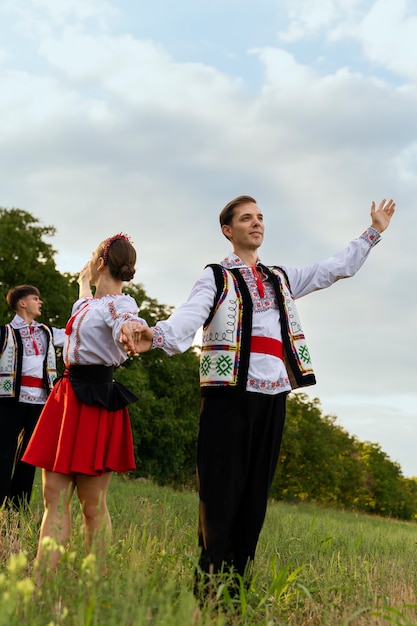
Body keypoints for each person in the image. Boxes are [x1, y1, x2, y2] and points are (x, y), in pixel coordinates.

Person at [124, 195, 396, 597]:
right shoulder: (216, 277)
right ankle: (208, 594)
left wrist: (373, 232)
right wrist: (157, 335)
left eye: (260, 218)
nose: (256, 224)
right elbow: (189, 315)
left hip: (273, 397)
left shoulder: (280, 278)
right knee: (220, 496)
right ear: (227, 230)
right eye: (246, 218)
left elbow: (333, 269)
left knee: (254, 501)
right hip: (228, 397)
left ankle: (236, 597)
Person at [22, 233, 146, 574]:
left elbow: (126, 319)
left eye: (92, 257)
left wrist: (132, 329)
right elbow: (84, 303)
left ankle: (96, 584)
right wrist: (82, 283)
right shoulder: (89, 304)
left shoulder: (120, 305)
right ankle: (41, 581)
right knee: (53, 501)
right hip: (66, 398)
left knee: (92, 507)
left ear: (101, 263)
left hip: (96, 402)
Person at [0, 285, 65, 510]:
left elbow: (72, 335)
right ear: (22, 303)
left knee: (29, 456)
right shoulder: (5, 332)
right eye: (36, 298)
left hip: (40, 402)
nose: (41, 302)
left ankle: (17, 508)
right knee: (4, 452)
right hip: (9, 400)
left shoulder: (46, 332)